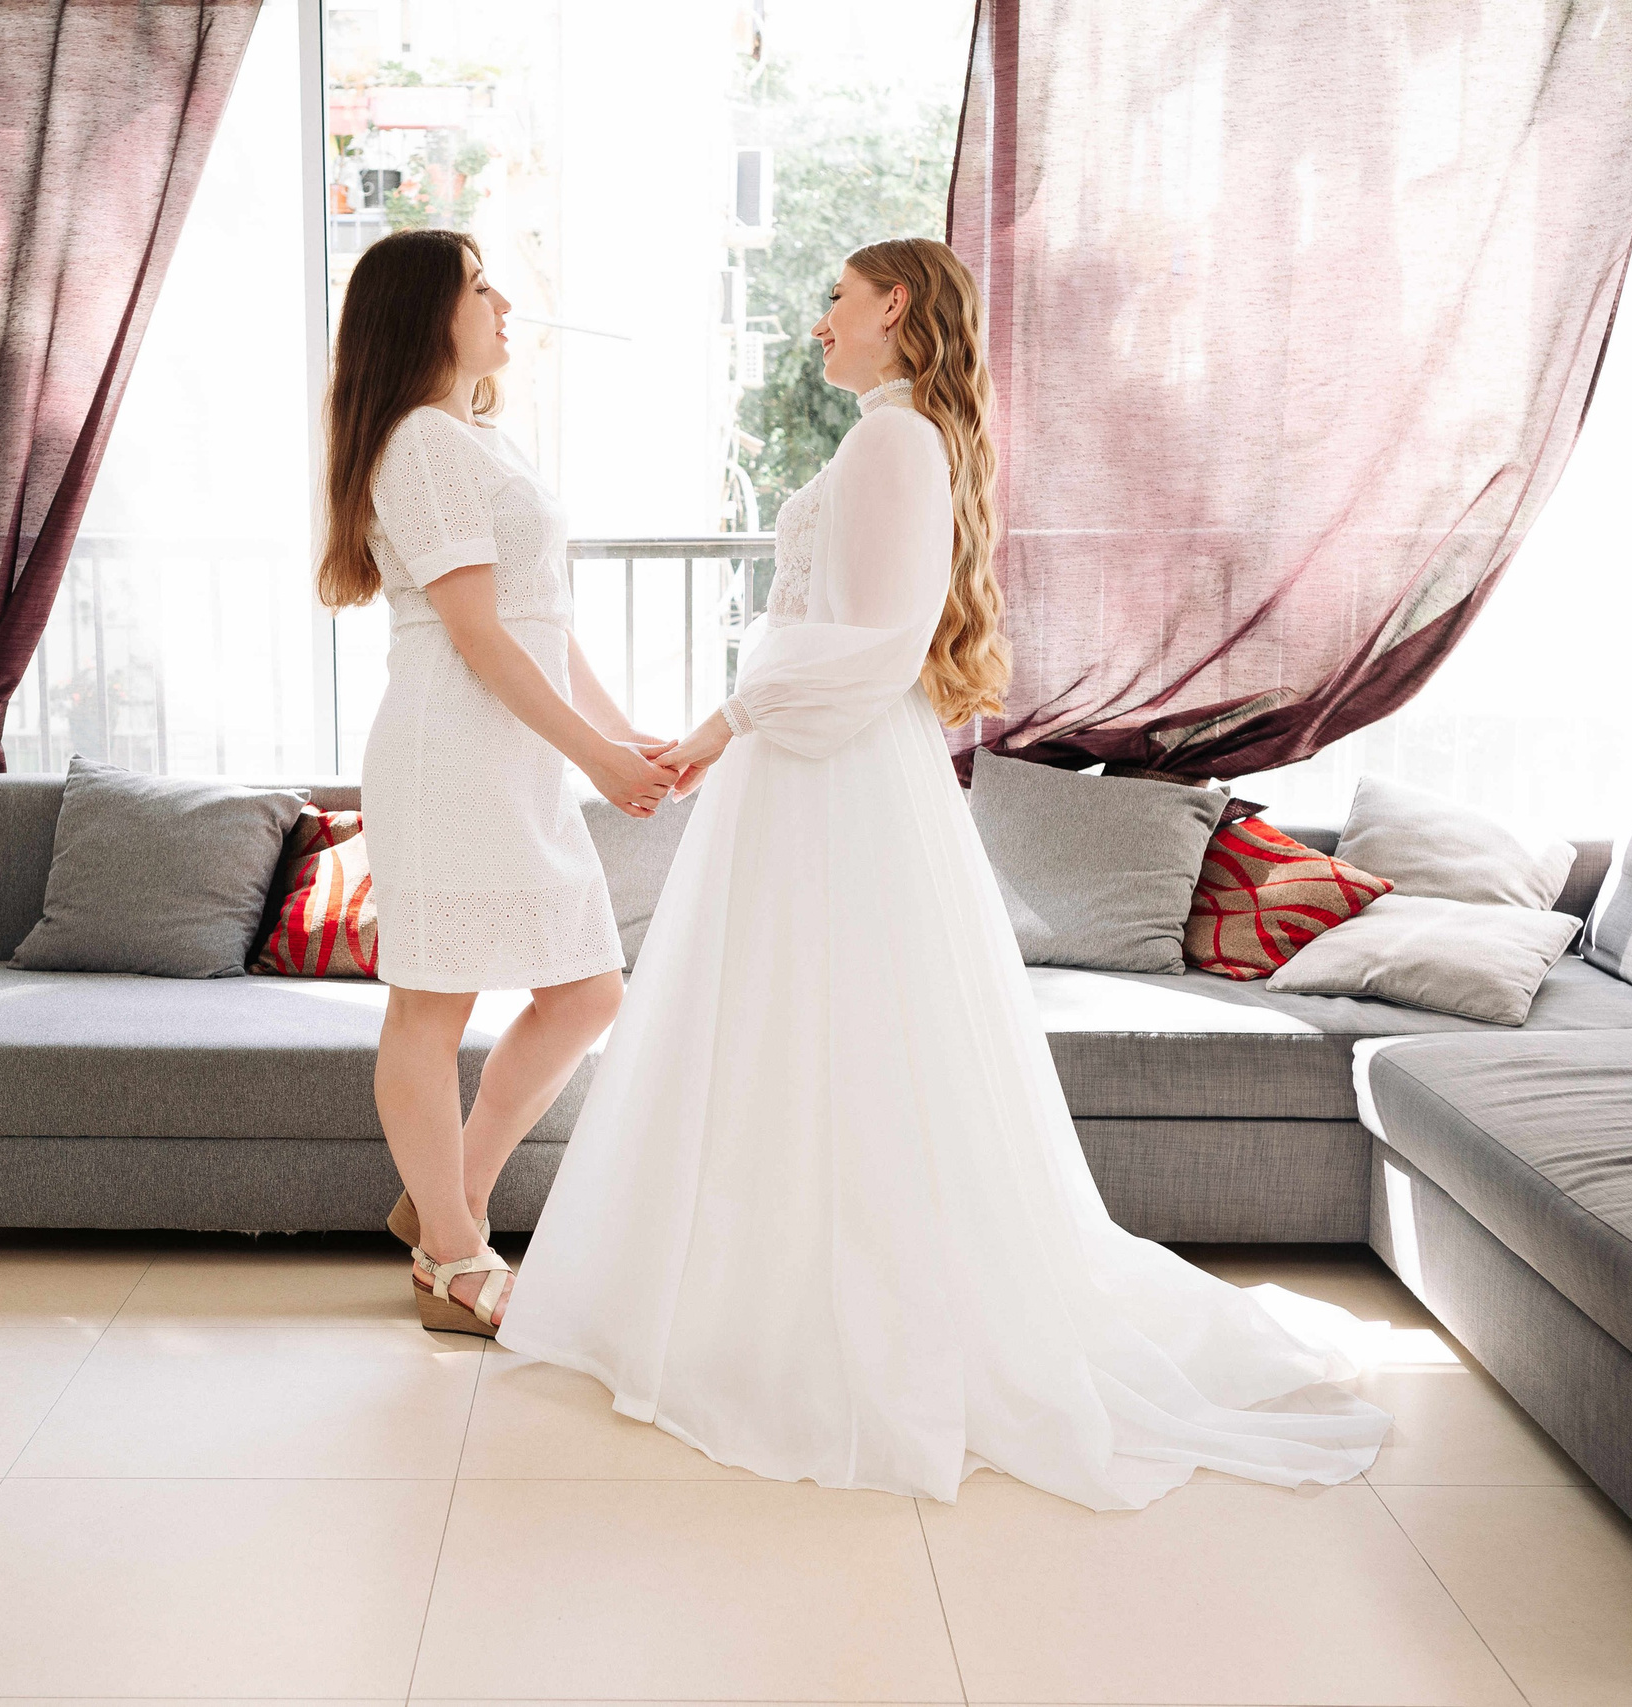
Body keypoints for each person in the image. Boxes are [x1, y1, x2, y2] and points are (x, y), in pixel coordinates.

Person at [498, 238, 1391, 1508]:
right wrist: (725, 732)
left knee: (831, 1037)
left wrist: (713, 731)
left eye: (837, 301)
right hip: (813, 768)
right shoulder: (894, 434)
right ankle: (768, 1295)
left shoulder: (893, 440)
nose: (820, 324)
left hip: (826, 772)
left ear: (893, 305)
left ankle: (825, 1315)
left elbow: (877, 647)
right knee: (795, 1035)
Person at [318, 228, 677, 1337]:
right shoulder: (421, 444)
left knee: (587, 991)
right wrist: (597, 756)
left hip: (506, 755)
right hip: (448, 753)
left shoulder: (477, 440)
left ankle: (446, 1207)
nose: (504, 299)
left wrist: (630, 739)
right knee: (432, 1006)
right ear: (428, 314)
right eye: (479, 286)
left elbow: (540, 624)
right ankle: (458, 1253)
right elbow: (475, 635)